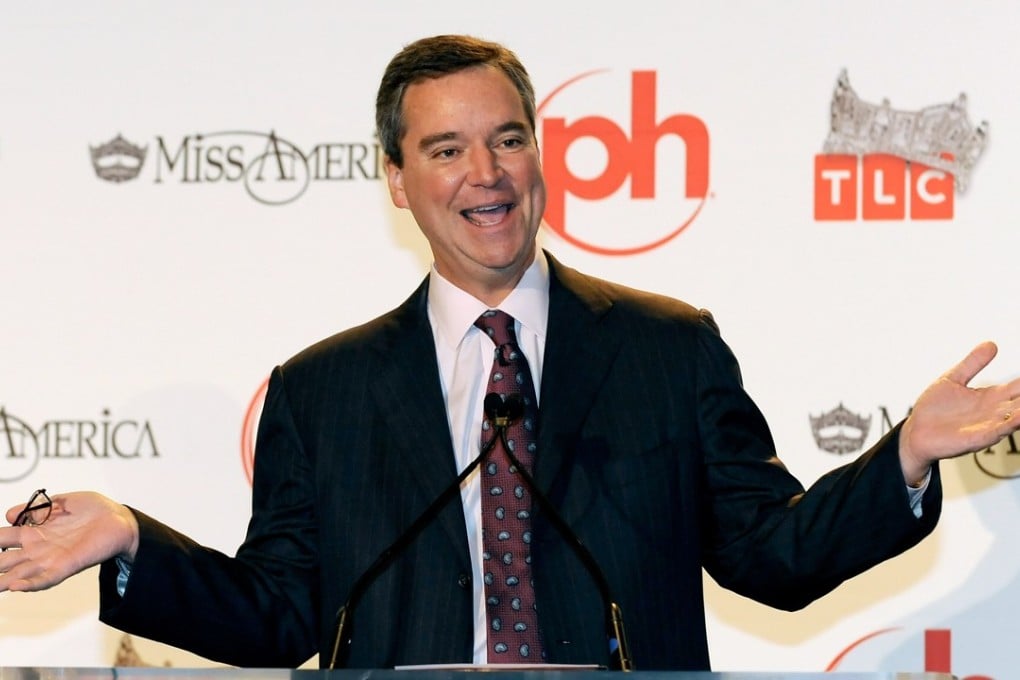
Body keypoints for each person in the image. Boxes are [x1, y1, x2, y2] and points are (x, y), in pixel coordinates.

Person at [1, 34, 1019, 671]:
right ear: (396, 179)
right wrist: (135, 537)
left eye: (509, 138)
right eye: (445, 149)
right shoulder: (323, 391)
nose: (485, 174)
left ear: (541, 149)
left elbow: (773, 557)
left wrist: (906, 456)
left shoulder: (667, 348)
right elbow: (281, 614)